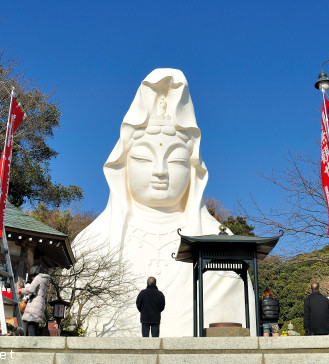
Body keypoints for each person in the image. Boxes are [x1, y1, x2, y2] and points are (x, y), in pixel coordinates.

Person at [71, 68, 257, 337]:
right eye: (144, 159)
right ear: (123, 165)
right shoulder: (91, 244)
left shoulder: (219, 244)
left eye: (176, 160)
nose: (160, 170)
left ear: (193, 169)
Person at [17, 264, 50, 336]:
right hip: (40, 303)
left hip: (35, 303)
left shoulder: (38, 278)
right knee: (34, 324)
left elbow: (31, 289)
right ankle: (34, 343)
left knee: (30, 324)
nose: (32, 277)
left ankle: (30, 344)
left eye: (32, 275)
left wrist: (22, 290)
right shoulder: (44, 279)